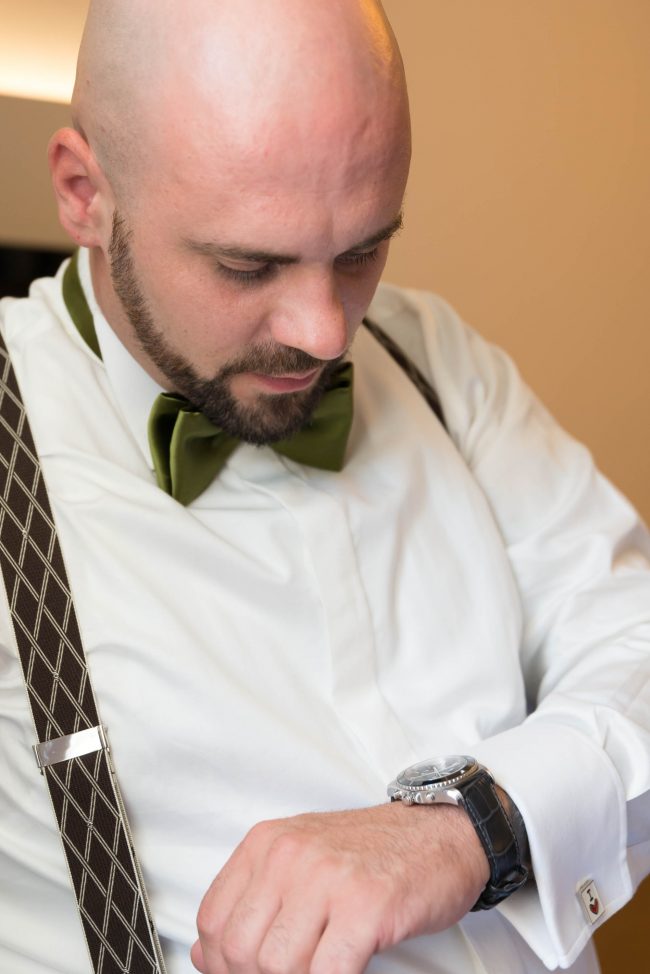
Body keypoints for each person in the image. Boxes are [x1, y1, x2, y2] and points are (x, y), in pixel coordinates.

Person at [0, 1, 648, 972]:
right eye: (245, 264)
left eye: (360, 252)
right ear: (84, 191)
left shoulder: (434, 358)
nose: (324, 332)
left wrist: (468, 825)